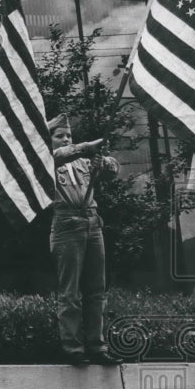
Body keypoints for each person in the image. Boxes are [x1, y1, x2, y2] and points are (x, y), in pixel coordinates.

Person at [47, 113, 122, 366]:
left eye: (69, 135)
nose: (66, 139)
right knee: (70, 292)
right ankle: (73, 348)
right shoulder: (47, 161)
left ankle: (96, 345)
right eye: (60, 136)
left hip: (92, 221)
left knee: (96, 289)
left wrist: (103, 160)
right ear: (50, 141)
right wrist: (83, 148)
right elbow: (53, 158)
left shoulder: (82, 162)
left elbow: (111, 172)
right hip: (66, 224)